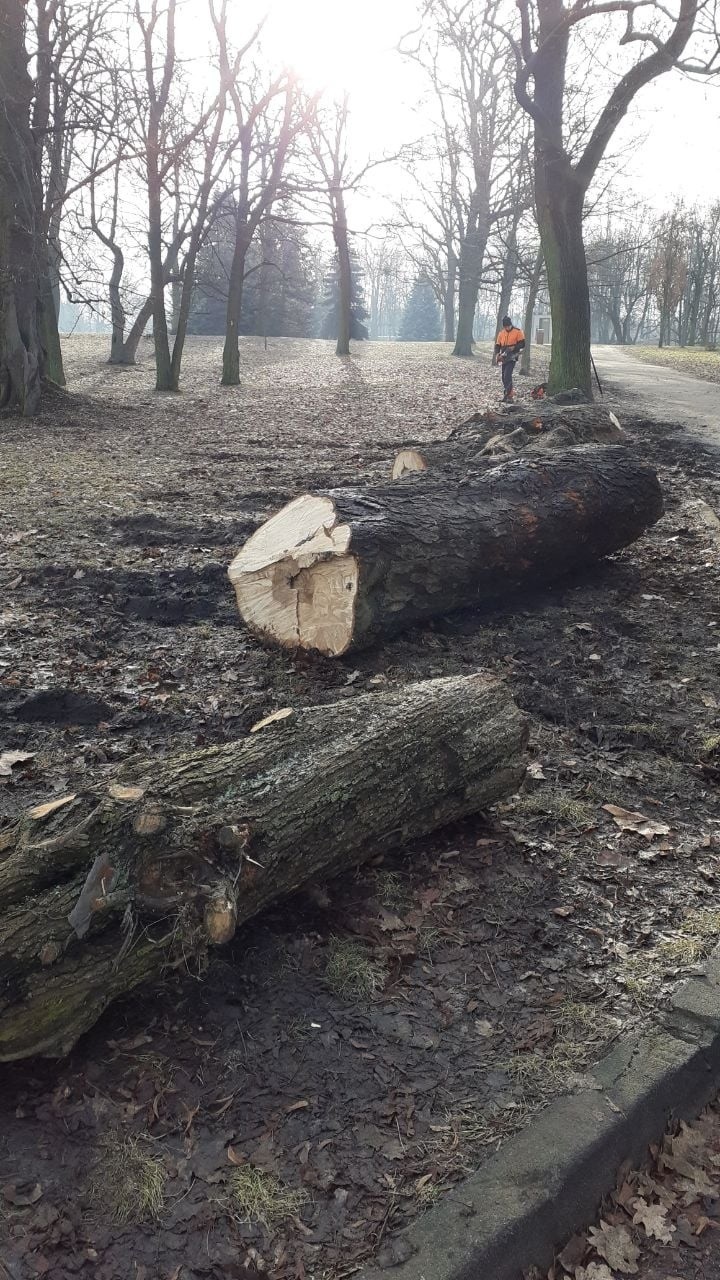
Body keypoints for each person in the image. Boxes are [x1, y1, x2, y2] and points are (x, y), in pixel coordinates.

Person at [493, 315, 525, 402]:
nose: (507, 328)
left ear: (511, 324)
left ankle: (510, 396)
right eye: (505, 326)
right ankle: (506, 394)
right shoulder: (501, 333)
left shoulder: (518, 332)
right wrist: (497, 354)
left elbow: (522, 344)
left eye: (508, 326)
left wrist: (513, 347)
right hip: (503, 356)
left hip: (512, 356)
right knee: (503, 377)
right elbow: (497, 345)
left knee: (507, 375)